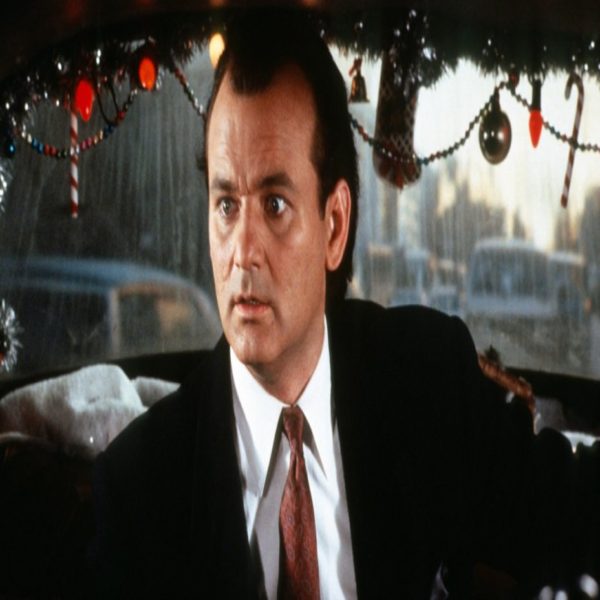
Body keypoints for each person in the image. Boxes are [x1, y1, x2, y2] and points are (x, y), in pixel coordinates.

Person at [89, 10, 589, 599]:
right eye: (226, 205)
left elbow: (571, 511)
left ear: (334, 225)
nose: (242, 252)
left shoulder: (426, 381)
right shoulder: (139, 486)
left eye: (275, 205)